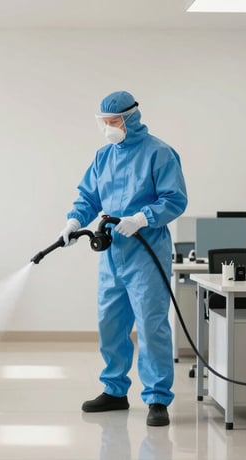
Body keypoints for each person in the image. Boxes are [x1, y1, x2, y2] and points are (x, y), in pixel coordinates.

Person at [61, 90, 187, 426]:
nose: (108, 128)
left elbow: (175, 199)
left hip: (147, 251)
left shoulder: (159, 153)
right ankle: (115, 391)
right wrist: (75, 220)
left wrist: (143, 218)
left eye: (113, 121)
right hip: (113, 253)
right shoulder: (104, 156)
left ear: (131, 118)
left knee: (151, 324)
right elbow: (88, 196)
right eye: (104, 122)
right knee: (111, 323)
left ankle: (157, 398)